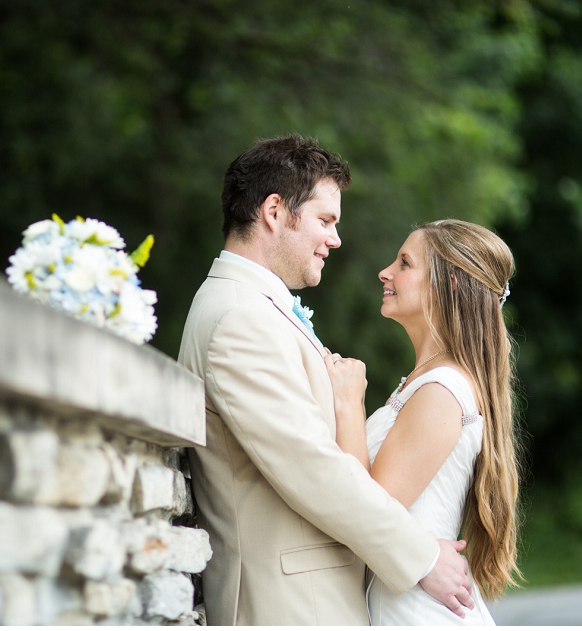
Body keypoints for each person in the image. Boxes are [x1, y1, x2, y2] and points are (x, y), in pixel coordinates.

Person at [178, 135, 474, 626]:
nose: (335, 239)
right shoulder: (239, 319)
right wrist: (422, 557)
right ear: (274, 211)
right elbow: (313, 467)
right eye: (325, 220)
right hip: (289, 605)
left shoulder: (254, 308)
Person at [326, 219, 523, 625]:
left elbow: (368, 507)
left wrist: (349, 404)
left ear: (447, 285)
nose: (386, 272)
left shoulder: (443, 390)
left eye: (404, 263)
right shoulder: (428, 382)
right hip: (405, 595)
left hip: (417, 612)